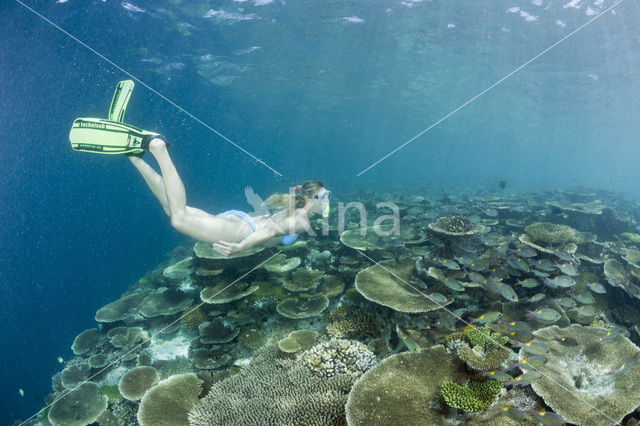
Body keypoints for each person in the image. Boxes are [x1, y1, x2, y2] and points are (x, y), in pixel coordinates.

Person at [128, 138, 330, 256]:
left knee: (170, 208)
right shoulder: (301, 220)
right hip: (238, 231)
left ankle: (136, 158)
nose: (328, 202)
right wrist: (240, 247)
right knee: (178, 219)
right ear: (316, 199)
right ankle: (159, 149)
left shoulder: (297, 206)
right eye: (326, 197)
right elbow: (269, 230)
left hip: (238, 220)